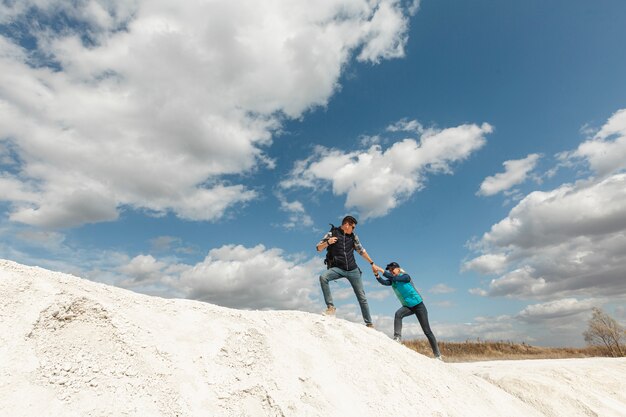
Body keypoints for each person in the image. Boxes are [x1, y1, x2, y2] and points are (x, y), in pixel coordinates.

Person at [316, 215, 379, 327]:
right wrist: (328, 242)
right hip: (338, 269)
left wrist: (372, 263)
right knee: (323, 277)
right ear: (346, 224)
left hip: (353, 269)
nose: (353, 229)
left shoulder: (353, 237)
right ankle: (331, 308)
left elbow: (361, 251)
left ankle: (369, 323)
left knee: (361, 296)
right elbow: (318, 248)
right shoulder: (332, 233)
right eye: (353, 227)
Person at [374, 261, 442, 360]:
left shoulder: (405, 277)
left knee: (427, 331)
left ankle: (438, 355)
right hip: (408, 307)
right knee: (398, 314)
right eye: (390, 270)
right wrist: (376, 274)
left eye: (393, 269)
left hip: (419, 306)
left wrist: (381, 270)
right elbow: (384, 282)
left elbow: (395, 278)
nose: (391, 271)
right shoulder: (393, 280)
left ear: (398, 268)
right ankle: (397, 338)